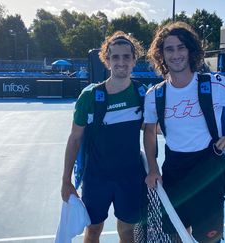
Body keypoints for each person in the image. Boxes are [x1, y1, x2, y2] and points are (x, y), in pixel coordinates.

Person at [143, 21, 225, 243]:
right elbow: (149, 132)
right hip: (174, 169)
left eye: (181, 47)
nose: (176, 54)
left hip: (208, 169)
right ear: (161, 55)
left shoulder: (215, 84)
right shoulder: (154, 95)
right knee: (176, 233)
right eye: (169, 49)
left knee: (208, 238)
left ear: (190, 50)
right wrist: (153, 166)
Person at [61, 31, 147, 243]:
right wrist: (66, 180)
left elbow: (154, 129)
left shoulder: (142, 94)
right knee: (93, 231)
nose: (121, 62)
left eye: (126, 56)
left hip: (130, 179)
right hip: (96, 179)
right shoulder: (90, 97)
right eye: (115, 57)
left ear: (134, 60)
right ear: (106, 60)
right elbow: (74, 139)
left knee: (127, 232)